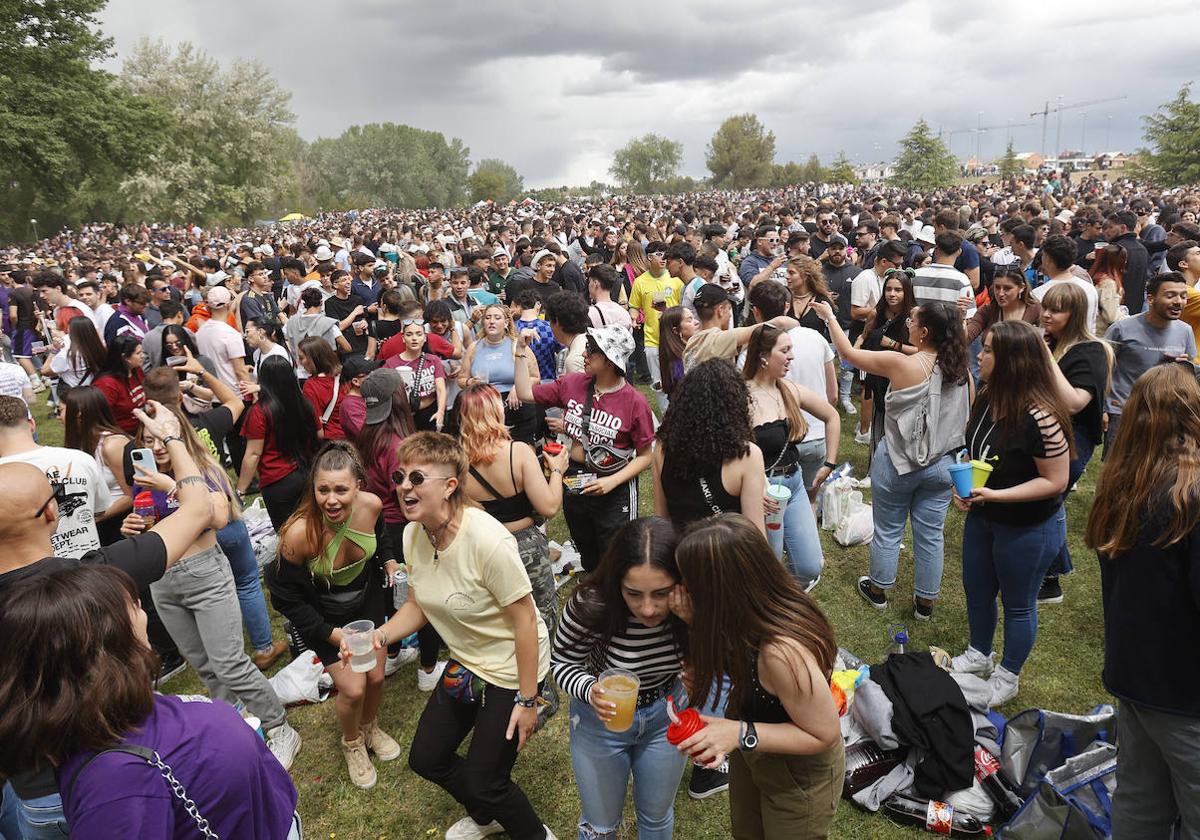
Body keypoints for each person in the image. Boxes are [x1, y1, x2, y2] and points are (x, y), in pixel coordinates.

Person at [0, 400, 212, 838]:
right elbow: (198, 509)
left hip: (32, 799)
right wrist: (173, 436)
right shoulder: (97, 578)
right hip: (115, 781)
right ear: (51, 514)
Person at [0, 565, 302, 840]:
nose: (143, 612)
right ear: (99, 650)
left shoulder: (110, 739)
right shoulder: (115, 788)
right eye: (131, 607)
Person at [358, 432, 556, 840]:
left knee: (488, 780)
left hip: (510, 665)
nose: (404, 487)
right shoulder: (414, 534)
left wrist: (527, 699)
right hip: (467, 660)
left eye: (416, 478)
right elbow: (418, 604)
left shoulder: (487, 540)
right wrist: (380, 635)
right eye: (399, 477)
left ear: (450, 486)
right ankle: (488, 815)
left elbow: (524, 621)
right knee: (427, 758)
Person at [120, 405, 302, 768]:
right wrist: (133, 528)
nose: (156, 447)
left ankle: (281, 729)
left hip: (205, 575)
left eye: (162, 438)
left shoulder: (200, 472)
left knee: (230, 663)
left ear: (178, 437)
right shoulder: (144, 481)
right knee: (204, 666)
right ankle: (238, 726)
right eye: (147, 440)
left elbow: (218, 517)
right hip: (163, 582)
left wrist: (171, 487)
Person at [669, 514, 843, 840]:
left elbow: (825, 734)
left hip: (798, 775)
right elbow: (735, 663)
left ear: (721, 592)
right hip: (754, 755)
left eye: (690, 585)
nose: (681, 591)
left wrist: (740, 733)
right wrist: (695, 625)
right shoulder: (741, 615)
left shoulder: (781, 654)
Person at [1085, 364, 1200, 839]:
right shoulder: (1188, 497)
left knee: (1139, 802)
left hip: (1135, 680)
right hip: (1185, 693)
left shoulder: (1122, 486)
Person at [814, 300, 971, 621]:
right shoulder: (962, 371)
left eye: (913, 322)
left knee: (888, 529)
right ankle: (925, 604)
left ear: (924, 333)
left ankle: (879, 590)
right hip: (942, 466)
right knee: (931, 534)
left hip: (898, 462)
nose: (908, 325)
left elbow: (848, 354)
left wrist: (830, 316)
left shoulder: (901, 363)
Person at [951, 320, 1072, 706]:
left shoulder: (1041, 416)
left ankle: (1009, 674)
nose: (979, 355)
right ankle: (978, 653)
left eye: (987, 350)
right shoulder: (987, 396)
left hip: (1028, 527)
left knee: (1018, 603)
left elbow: (1056, 480)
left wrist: (995, 495)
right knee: (977, 589)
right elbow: (975, 450)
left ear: (1011, 362)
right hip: (984, 516)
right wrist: (967, 487)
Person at [268, 442, 401, 789]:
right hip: (324, 616)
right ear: (313, 488)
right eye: (323, 489)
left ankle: (370, 728)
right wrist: (331, 634)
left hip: (367, 605)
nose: (332, 499)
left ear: (358, 486)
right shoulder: (299, 534)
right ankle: (352, 742)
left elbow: (381, 534)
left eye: (341, 489)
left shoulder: (371, 506)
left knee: (375, 677)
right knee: (353, 688)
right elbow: (285, 596)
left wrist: (387, 558)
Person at [551, 517, 689, 840]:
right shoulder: (593, 604)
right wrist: (589, 689)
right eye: (633, 593)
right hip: (600, 722)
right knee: (600, 827)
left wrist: (693, 624)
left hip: (666, 715)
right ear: (617, 583)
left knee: (656, 818)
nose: (649, 608)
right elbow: (560, 662)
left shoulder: (692, 606)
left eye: (661, 593)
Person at [459, 382, 569, 723]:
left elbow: (468, 516)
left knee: (503, 618)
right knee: (541, 616)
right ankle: (540, 690)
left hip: (486, 549)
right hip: (527, 548)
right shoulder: (518, 452)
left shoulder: (458, 462)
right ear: (497, 412)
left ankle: (505, 686)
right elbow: (549, 507)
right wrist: (558, 471)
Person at [513, 324, 655, 574]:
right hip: (575, 478)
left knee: (617, 550)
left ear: (611, 361)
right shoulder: (573, 384)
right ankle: (593, 587)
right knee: (584, 541)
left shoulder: (635, 402)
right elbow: (524, 392)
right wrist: (520, 351)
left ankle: (615, 597)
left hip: (614, 486)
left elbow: (645, 456)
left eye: (592, 350)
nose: (584, 354)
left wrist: (611, 482)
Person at [350, 366, 440, 687]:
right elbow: (408, 498)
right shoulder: (398, 445)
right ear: (399, 399)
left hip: (376, 529)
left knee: (393, 593)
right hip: (403, 529)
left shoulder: (366, 435)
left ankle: (391, 655)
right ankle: (428, 671)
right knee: (422, 596)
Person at [744, 325, 840, 588]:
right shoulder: (741, 396)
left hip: (794, 484)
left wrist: (830, 463)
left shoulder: (788, 389)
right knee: (768, 567)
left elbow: (832, 416)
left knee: (811, 566)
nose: (792, 357)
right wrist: (754, 491)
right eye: (784, 350)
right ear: (763, 356)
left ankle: (782, 599)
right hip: (763, 494)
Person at [1038, 282, 1113, 605]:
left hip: (1073, 439)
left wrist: (1043, 356)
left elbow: (1073, 402)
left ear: (1076, 314)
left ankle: (1050, 580)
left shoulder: (1091, 351)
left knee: (1049, 501)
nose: (1046, 315)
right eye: (1046, 307)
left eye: (1056, 310)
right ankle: (1052, 573)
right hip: (1044, 434)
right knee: (1050, 503)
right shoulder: (1051, 342)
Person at [654, 358, 766, 534]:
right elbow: (755, 534)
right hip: (725, 558)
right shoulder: (747, 456)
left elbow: (660, 521)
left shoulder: (662, 447)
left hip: (679, 555)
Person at [1103, 272, 1195, 450]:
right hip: (1122, 411)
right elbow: (1102, 369)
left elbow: (1188, 375)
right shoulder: (1122, 329)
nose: (1179, 301)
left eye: (1183, 296)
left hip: (1164, 413)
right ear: (1151, 299)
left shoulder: (1185, 331)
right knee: (1117, 470)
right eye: (1170, 295)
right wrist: (1102, 408)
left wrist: (1182, 367)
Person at [237, 356, 320, 531]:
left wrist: (241, 491)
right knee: (316, 527)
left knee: (288, 536)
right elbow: (319, 433)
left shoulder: (259, 412)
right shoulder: (305, 404)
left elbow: (253, 454)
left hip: (278, 482)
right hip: (308, 473)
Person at [854, 269, 918, 456]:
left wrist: (894, 345)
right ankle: (873, 467)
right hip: (877, 377)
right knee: (879, 421)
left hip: (902, 381)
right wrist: (854, 351)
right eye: (888, 289)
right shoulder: (877, 314)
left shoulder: (914, 316)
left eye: (898, 290)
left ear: (906, 292)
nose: (892, 294)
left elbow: (921, 351)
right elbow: (864, 336)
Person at [460, 303, 541, 445]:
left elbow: (535, 377)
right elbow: (461, 379)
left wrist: (518, 388)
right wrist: (469, 383)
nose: (491, 321)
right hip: (484, 409)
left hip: (516, 407)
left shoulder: (518, 345)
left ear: (506, 323)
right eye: (488, 318)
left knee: (522, 451)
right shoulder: (474, 347)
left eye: (497, 318)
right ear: (483, 322)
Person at [62, 386, 132, 546]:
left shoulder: (112, 445)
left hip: (119, 526)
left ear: (78, 415)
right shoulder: (78, 444)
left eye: (61, 410)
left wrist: (93, 517)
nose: (58, 417)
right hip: (93, 525)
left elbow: (132, 495)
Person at [628, 242, 683, 409]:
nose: (663, 258)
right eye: (659, 254)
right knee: (658, 383)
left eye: (665, 255)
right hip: (652, 340)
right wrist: (633, 318)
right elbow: (634, 306)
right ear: (649, 258)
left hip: (676, 339)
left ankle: (680, 411)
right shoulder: (640, 282)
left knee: (679, 379)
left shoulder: (676, 280)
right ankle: (666, 415)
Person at [386, 315, 448, 432]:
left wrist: (440, 412)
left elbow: (441, 388)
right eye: (409, 335)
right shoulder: (391, 364)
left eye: (419, 334)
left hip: (430, 413)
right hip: (404, 416)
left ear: (425, 338)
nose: (414, 338)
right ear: (403, 338)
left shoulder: (433, 360)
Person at [965, 266, 1042, 345]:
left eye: (1007, 288)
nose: (1001, 293)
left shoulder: (1036, 310)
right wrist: (961, 316)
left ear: (1022, 287)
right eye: (997, 287)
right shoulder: (987, 311)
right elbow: (965, 339)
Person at [93, 334, 147, 434]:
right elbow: (99, 416)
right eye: (138, 353)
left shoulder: (137, 370)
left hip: (141, 429)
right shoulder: (107, 384)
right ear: (125, 357)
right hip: (121, 434)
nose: (142, 356)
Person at [299, 335, 348, 440]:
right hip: (351, 438)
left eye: (301, 358)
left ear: (313, 359)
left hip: (330, 441)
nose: (299, 362)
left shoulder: (311, 386)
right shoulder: (345, 376)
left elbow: (317, 427)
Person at [46, 314, 105, 397]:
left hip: (75, 394)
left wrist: (54, 350)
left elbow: (45, 371)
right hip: (95, 392)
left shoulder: (68, 354)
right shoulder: (99, 348)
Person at [655, 305, 698, 401]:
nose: (696, 322)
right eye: (689, 320)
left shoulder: (684, 352)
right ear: (675, 330)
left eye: (694, 318)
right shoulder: (679, 362)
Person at [1087, 243, 1126, 336]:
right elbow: (1111, 316)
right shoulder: (1109, 284)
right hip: (1103, 335)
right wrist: (1126, 317)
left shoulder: (1094, 277)